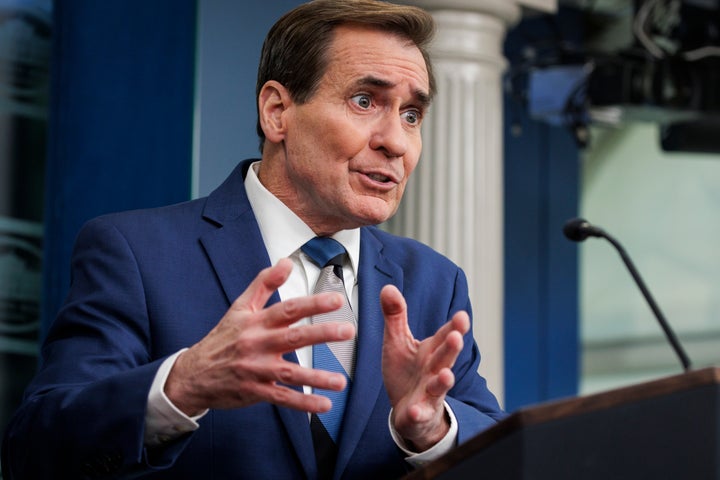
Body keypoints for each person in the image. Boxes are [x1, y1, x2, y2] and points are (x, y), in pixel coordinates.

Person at [1, 0, 506, 478]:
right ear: (277, 112)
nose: (395, 141)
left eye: (411, 114)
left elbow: (503, 454)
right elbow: (34, 454)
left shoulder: (433, 283)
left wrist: (431, 431)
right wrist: (182, 385)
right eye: (364, 101)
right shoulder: (135, 253)